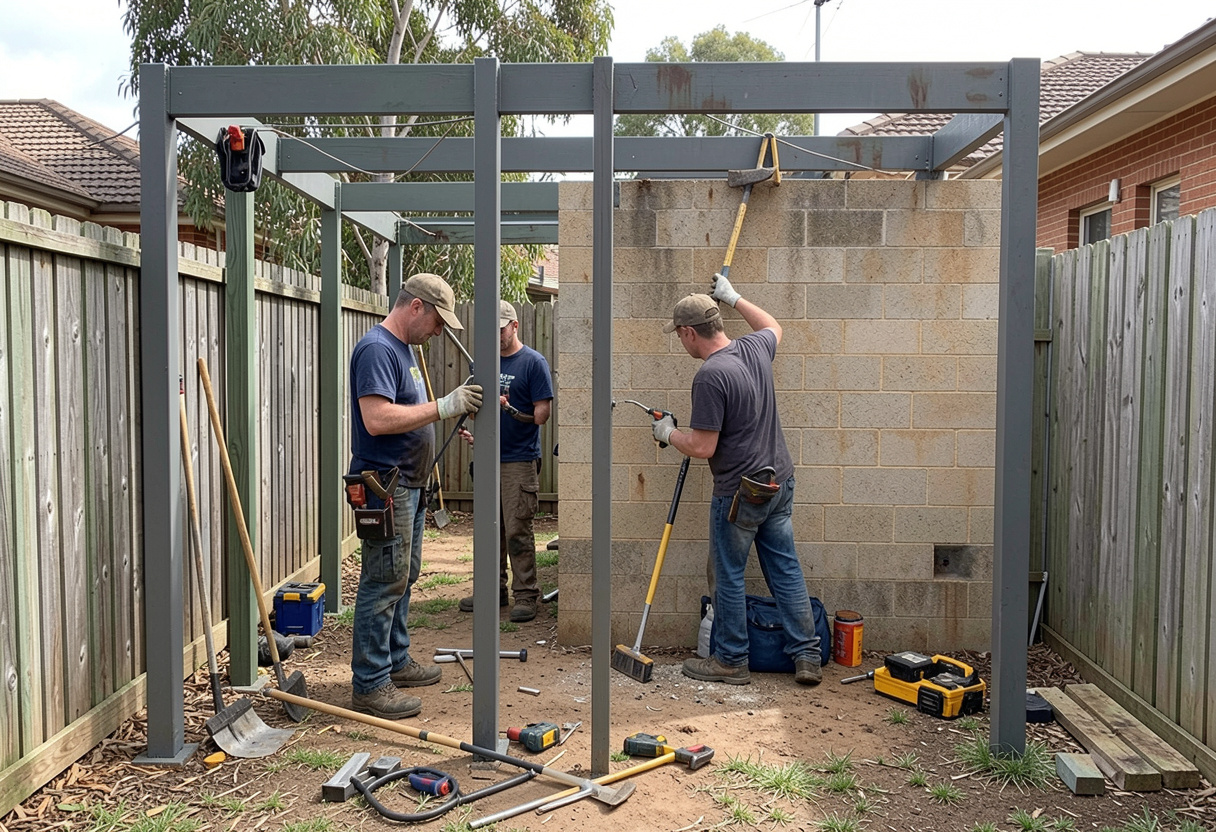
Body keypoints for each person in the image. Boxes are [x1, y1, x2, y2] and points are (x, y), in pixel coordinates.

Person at [655, 276, 821, 687]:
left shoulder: (710, 376)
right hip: (779, 481)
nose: (681, 342)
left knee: (728, 573)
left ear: (689, 333)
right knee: (784, 567)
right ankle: (807, 654)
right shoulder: (753, 348)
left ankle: (730, 660)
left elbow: (703, 446)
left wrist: (669, 434)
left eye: (679, 335)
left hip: (741, 494)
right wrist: (735, 297)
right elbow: (774, 326)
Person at [347, 273, 482, 719]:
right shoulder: (377, 349)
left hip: (408, 483)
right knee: (384, 580)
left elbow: (404, 413)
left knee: (404, 575)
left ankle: (396, 660)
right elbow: (377, 419)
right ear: (416, 306)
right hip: (385, 486)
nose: (439, 331)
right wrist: (444, 406)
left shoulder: (403, 350)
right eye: (438, 322)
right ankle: (370, 684)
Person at [459, 300, 554, 623]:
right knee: (488, 530)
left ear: (514, 326)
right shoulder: (483, 363)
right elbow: (476, 410)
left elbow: (542, 415)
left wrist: (509, 408)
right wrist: (477, 431)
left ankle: (526, 594)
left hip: (519, 460)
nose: (496, 336)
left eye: (500, 329)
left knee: (517, 530)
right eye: (491, 330)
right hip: (488, 456)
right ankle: (492, 590)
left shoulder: (533, 363)